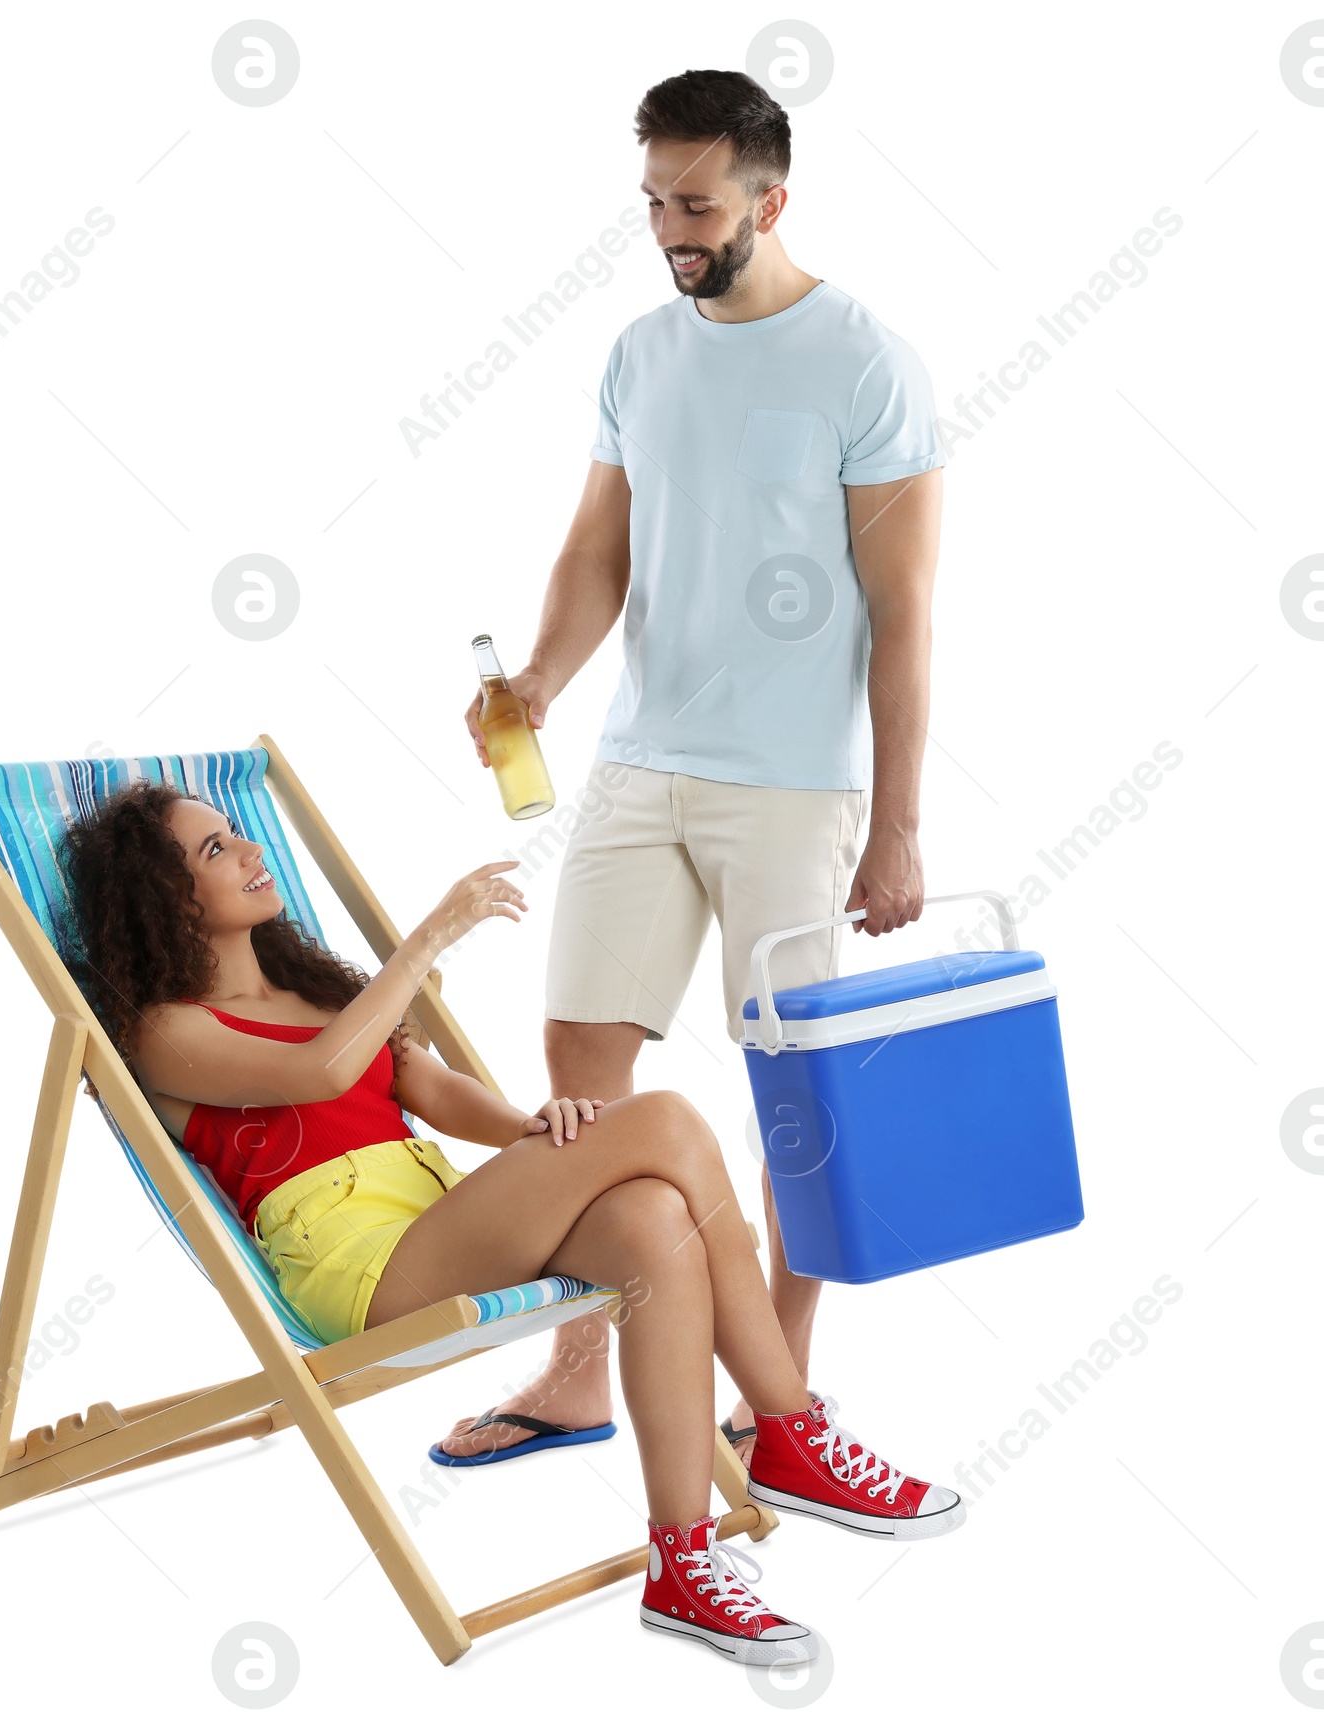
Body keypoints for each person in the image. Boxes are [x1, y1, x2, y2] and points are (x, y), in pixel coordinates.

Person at [58, 783, 964, 1668]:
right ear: (161, 898)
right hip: (363, 1273)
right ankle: (791, 1431)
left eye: (235, 833)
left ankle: (682, 1564)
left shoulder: (317, 992)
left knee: (651, 1219)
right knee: (671, 1120)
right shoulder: (163, 1031)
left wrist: (540, 1134)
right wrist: (426, 940)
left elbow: (434, 1091)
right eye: (214, 849)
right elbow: (325, 1076)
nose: (250, 850)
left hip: (438, 1219)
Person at [442, 68, 947, 1478]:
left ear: (771, 200)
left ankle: (775, 1397)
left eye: (699, 202)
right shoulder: (638, 352)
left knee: (796, 1098)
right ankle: (575, 1370)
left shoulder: (865, 360)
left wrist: (895, 828)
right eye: (655, 199)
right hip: (634, 768)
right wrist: (541, 675)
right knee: (580, 1085)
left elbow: (903, 611)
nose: (672, 225)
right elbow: (599, 547)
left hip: (791, 788)